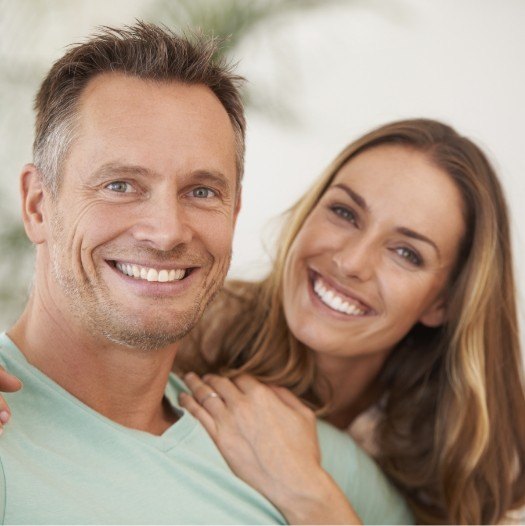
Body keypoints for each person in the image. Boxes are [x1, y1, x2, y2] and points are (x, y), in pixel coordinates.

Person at [0, 22, 412, 525]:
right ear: (38, 205)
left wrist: (314, 501)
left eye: (201, 192)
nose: (167, 231)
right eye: (120, 184)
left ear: (234, 216)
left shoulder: (303, 458)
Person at [170, 119, 525, 524]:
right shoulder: (186, 329)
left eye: (406, 253)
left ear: (443, 302)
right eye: (344, 212)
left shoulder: (469, 452)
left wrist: (307, 493)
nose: (351, 262)